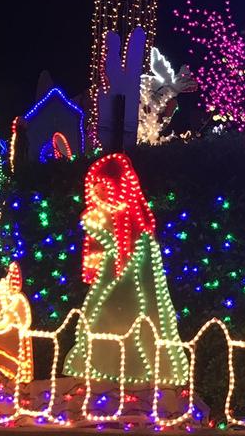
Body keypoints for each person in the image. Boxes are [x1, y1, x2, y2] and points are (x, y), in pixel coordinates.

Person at [65, 154, 188, 385]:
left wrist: (97, 231)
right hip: (110, 278)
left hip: (129, 286)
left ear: (118, 188)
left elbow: (125, 251)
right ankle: (101, 369)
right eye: (96, 189)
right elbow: (102, 254)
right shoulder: (105, 216)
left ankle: (132, 372)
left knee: (122, 320)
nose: (99, 195)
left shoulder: (133, 222)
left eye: (104, 188)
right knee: (99, 317)